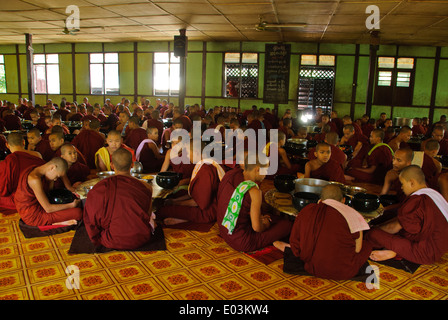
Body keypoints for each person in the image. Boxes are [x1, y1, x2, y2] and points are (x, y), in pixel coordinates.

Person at [274, 185, 372, 280]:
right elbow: (357, 250)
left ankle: (287, 248)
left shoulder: (308, 210)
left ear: (320, 199)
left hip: (313, 267)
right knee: (367, 245)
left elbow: (296, 240)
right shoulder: (352, 214)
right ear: (343, 200)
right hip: (344, 271)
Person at [367, 165, 448, 265]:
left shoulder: (418, 200)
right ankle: (392, 250)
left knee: (373, 234)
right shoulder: (433, 194)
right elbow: (403, 221)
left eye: (402, 184)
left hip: (426, 252)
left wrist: (375, 228)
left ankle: (394, 251)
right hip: (436, 246)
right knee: (390, 217)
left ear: (412, 182)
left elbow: (393, 227)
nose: (401, 188)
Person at [216, 153, 293, 252]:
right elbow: (257, 228)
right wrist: (266, 224)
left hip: (224, 230)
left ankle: (273, 239)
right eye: (265, 170)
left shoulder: (230, 174)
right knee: (287, 225)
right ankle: (274, 241)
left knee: (269, 216)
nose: (266, 174)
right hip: (242, 242)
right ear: (257, 169)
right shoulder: (254, 191)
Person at [83, 148, 155, 250]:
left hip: (111, 239)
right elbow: (147, 215)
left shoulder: (100, 187)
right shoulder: (146, 187)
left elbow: (92, 218)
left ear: (112, 165)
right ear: (132, 165)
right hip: (140, 237)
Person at [157, 144, 225, 226]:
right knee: (175, 195)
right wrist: (174, 201)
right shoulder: (210, 162)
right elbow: (195, 194)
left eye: (188, 153)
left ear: (196, 152)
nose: (188, 157)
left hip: (207, 212)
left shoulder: (206, 170)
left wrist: (175, 203)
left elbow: (197, 203)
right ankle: (184, 218)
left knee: (161, 211)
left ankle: (186, 219)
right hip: (208, 203)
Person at [14, 157, 82, 226]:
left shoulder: (40, 170)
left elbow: (49, 192)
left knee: (73, 202)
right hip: (33, 215)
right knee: (78, 212)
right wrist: (71, 205)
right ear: (52, 167)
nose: (55, 179)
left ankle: (58, 220)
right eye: (57, 176)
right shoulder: (34, 179)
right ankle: (56, 223)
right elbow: (48, 209)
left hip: (42, 205)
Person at [0, 133, 45, 213]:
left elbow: (3, 188)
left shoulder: (9, 161)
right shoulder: (37, 155)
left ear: (7, 145)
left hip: (17, 199)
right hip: (37, 196)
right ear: (24, 142)